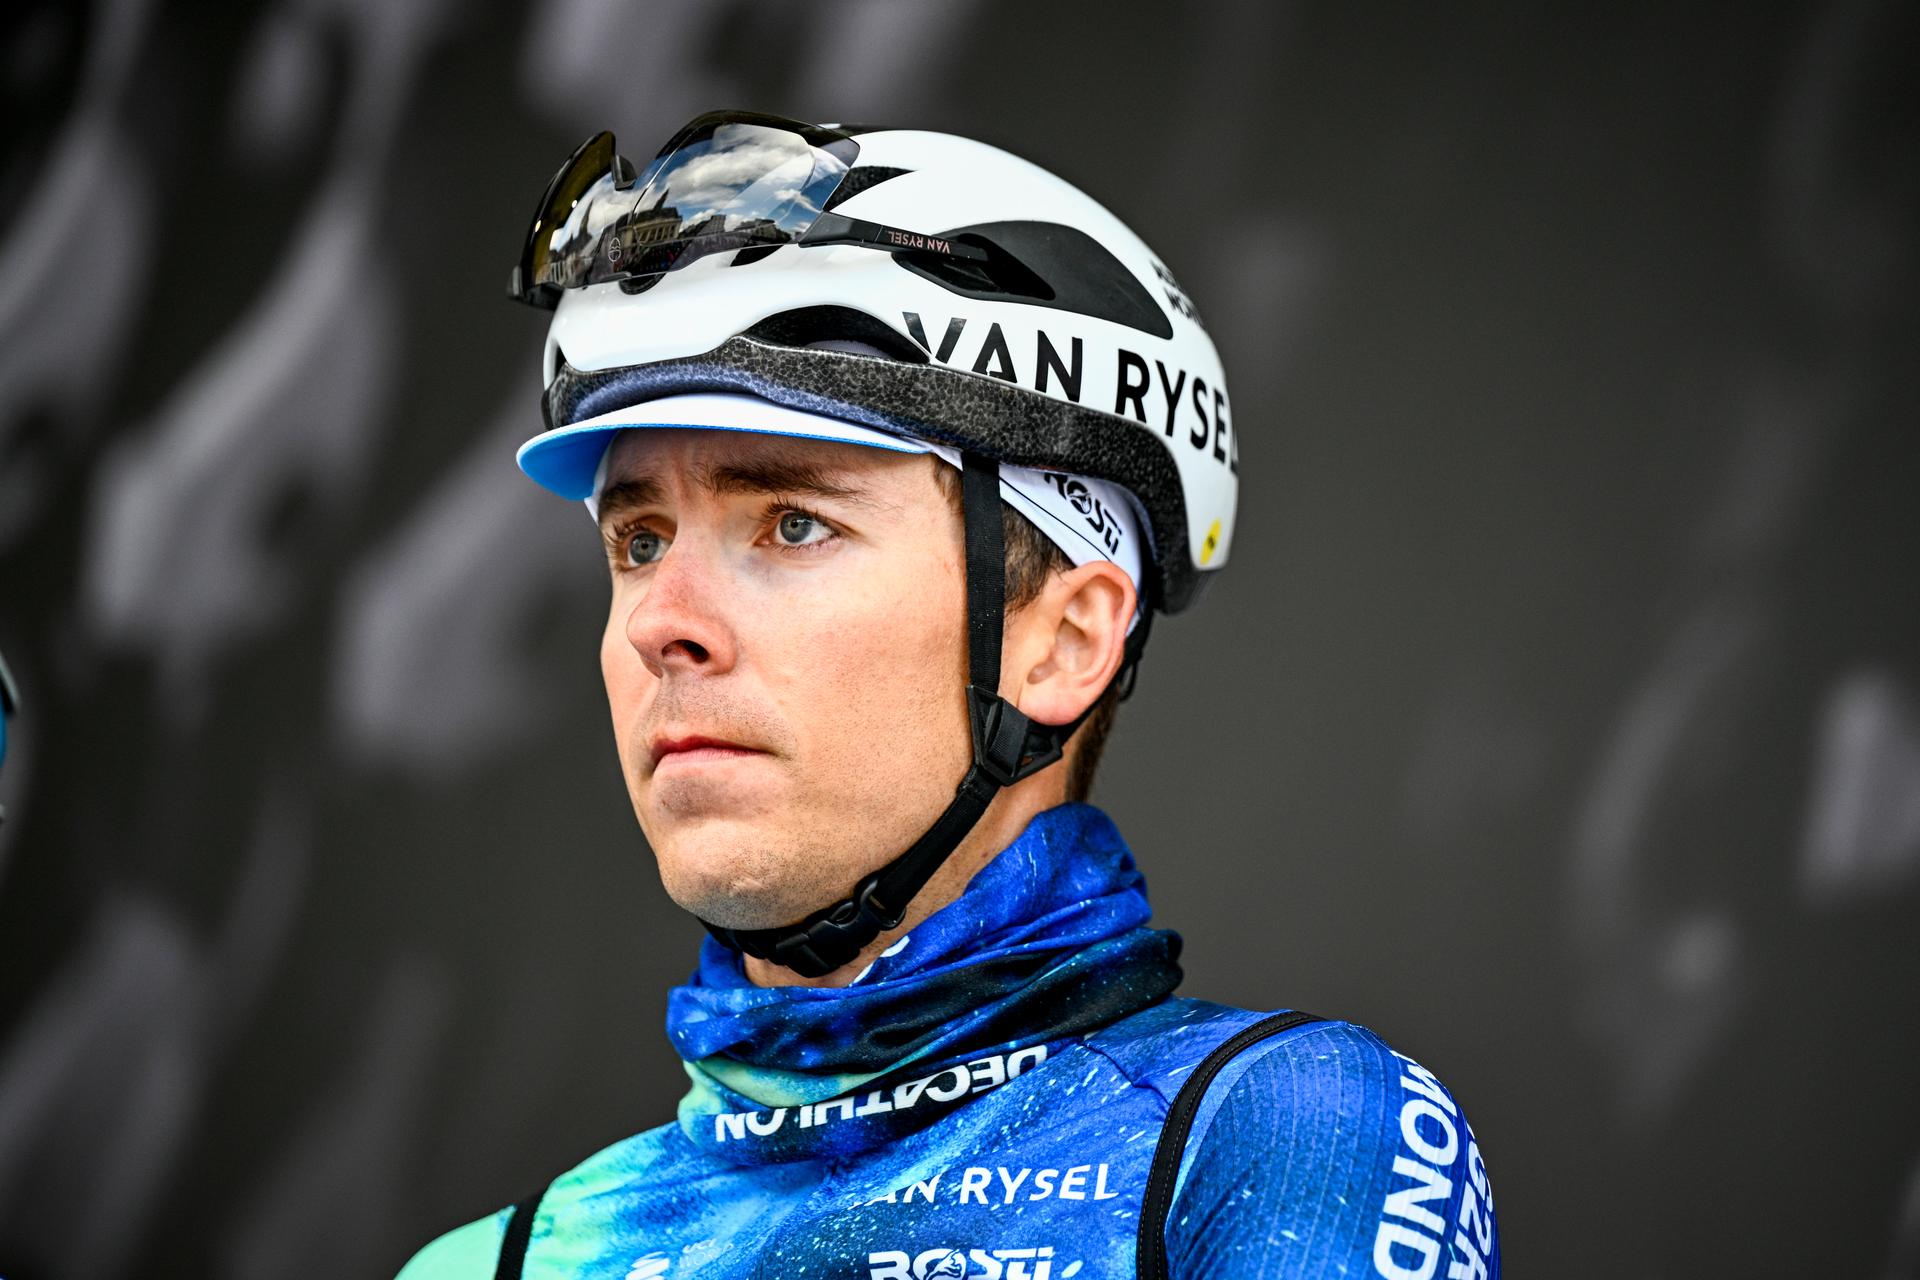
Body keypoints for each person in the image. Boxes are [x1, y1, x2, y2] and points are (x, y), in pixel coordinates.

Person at [398, 110, 1499, 1280]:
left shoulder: (1282, 1132)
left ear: (1065, 640)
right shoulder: (487, 1266)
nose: (660, 621)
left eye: (793, 523)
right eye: (639, 540)